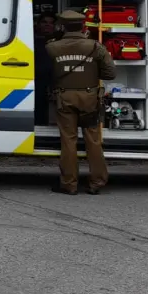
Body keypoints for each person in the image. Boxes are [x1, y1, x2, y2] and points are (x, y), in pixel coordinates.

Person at [44, 10, 116, 195]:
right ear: (83, 26)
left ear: (62, 26)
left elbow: (46, 73)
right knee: (93, 140)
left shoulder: (51, 47)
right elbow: (110, 74)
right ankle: (97, 182)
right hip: (90, 98)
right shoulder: (95, 47)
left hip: (64, 98)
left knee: (68, 141)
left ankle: (69, 184)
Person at [34, 12, 57, 124]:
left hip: (54, 79)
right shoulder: (29, 40)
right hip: (35, 80)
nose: (48, 25)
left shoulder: (59, 41)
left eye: (51, 23)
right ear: (37, 24)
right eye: (44, 22)